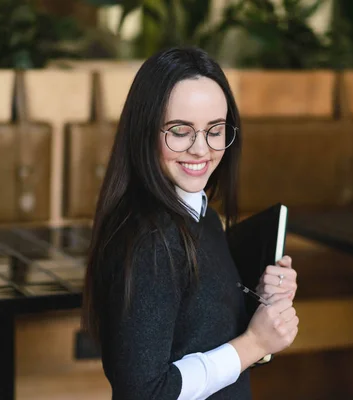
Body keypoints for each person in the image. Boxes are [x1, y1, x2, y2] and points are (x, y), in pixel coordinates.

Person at [81, 46, 299, 400]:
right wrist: (254, 342)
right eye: (180, 131)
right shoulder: (152, 241)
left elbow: (200, 330)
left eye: (215, 130)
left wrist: (261, 299)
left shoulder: (201, 215)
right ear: (145, 132)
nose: (201, 149)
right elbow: (145, 392)